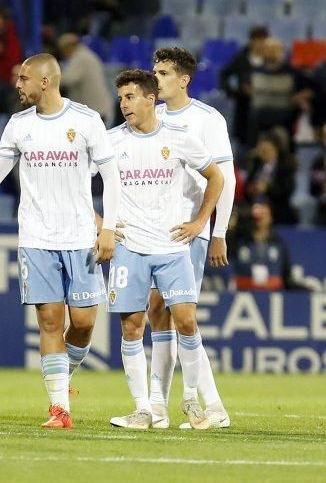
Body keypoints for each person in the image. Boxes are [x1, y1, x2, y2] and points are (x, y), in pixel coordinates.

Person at [0, 53, 122, 429]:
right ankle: (59, 409)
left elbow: (111, 178)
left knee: (82, 323)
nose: (17, 85)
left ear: (46, 81)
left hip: (80, 236)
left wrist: (108, 228)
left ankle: (63, 380)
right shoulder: (18, 126)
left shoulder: (86, 121)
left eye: (24, 78)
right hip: (36, 237)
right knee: (49, 322)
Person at [106, 69, 223, 430]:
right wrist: (102, 226)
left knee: (186, 321)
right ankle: (144, 410)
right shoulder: (110, 142)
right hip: (130, 249)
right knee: (131, 327)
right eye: (121, 97)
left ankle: (190, 400)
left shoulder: (179, 138)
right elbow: (77, 184)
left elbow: (216, 177)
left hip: (172, 247)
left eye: (129, 97)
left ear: (149, 99)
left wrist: (200, 221)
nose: (123, 104)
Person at [144, 47, 236, 430]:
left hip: (190, 230)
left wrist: (218, 232)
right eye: (155, 72)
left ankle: (205, 405)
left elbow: (225, 178)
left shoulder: (207, 119)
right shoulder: (154, 117)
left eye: (164, 73)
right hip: (155, 230)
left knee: (181, 316)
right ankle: (162, 407)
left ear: (184, 79)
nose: (157, 79)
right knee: (158, 313)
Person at [219, 25, 269, 146]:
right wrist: (235, 93)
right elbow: (224, 74)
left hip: (265, 106)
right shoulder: (241, 58)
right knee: (244, 143)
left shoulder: (269, 59)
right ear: (252, 41)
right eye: (258, 40)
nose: (260, 44)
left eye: (263, 40)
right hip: (244, 106)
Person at [57, 33, 115, 124]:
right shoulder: (87, 55)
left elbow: (67, 79)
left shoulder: (81, 57)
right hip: (96, 110)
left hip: (97, 111)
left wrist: (47, 80)